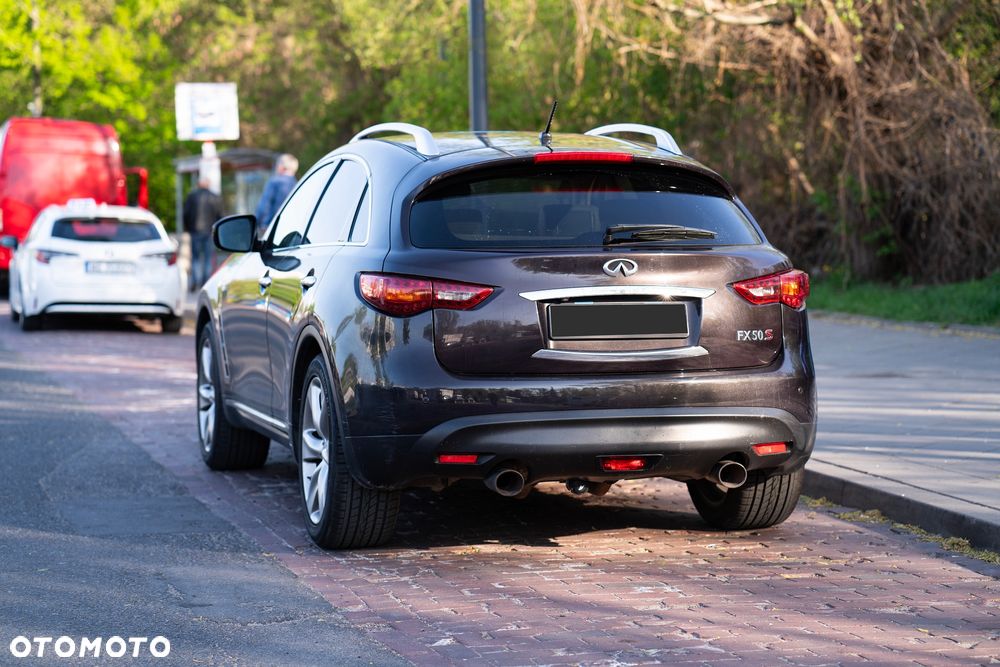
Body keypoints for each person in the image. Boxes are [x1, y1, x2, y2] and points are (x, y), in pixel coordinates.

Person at [182, 178, 223, 291]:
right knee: (208, 258)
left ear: (199, 184)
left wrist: (188, 228)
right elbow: (220, 215)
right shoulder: (214, 197)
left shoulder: (192, 196)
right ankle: (205, 282)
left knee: (195, 258)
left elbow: (185, 214)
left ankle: (195, 281)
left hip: (195, 231)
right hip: (209, 231)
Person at [255, 153, 299, 234]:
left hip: (272, 229)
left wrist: (258, 223)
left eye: (277, 164)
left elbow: (264, 206)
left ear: (282, 167)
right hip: (291, 230)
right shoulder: (298, 185)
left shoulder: (274, 182)